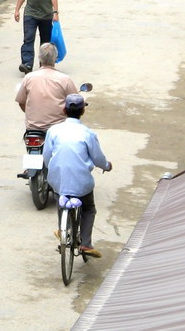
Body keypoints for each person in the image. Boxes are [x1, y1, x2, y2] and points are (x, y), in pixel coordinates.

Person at [44, 93, 112, 259]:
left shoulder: (53, 131)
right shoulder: (87, 133)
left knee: (61, 198)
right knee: (88, 208)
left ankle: (62, 230)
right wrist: (107, 166)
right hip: (81, 183)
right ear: (83, 111)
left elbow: (46, 157)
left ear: (64, 110)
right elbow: (98, 159)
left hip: (58, 179)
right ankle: (86, 243)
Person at [13, 0, 59, 74]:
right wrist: (17, 9)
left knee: (45, 42)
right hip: (30, 13)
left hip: (46, 14)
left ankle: (45, 65)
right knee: (28, 39)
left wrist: (55, 12)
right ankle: (27, 64)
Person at [15, 43, 77, 131]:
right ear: (55, 58)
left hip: (32, 128)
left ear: (39, 58)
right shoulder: (65, 79)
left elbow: (21, 102)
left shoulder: (28, 78)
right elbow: (75, 102)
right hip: (58, 129)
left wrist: (33, 114)